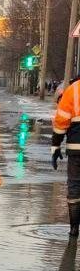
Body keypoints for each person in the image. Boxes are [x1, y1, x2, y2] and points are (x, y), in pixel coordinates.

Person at [51, 72, 80, 237]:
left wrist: (55, 146)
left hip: (76, 149)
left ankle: (74, 228)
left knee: (75, 186)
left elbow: (61, 121)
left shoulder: (73, 90)